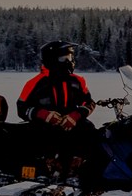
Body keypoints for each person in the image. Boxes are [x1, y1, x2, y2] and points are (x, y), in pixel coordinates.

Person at [19, 41, 98, 174]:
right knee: (43, 132)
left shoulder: (77, 81)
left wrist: (76, 115)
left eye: (71, 58)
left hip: (70, 123)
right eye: (64, 58)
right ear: (52, 59)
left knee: (89, 129)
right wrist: (44, 115)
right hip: (45, 126)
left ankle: (80, 164)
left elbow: (89, 103)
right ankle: (49, 165)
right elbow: (21, 107)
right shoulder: (35, 83)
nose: (69, 62)